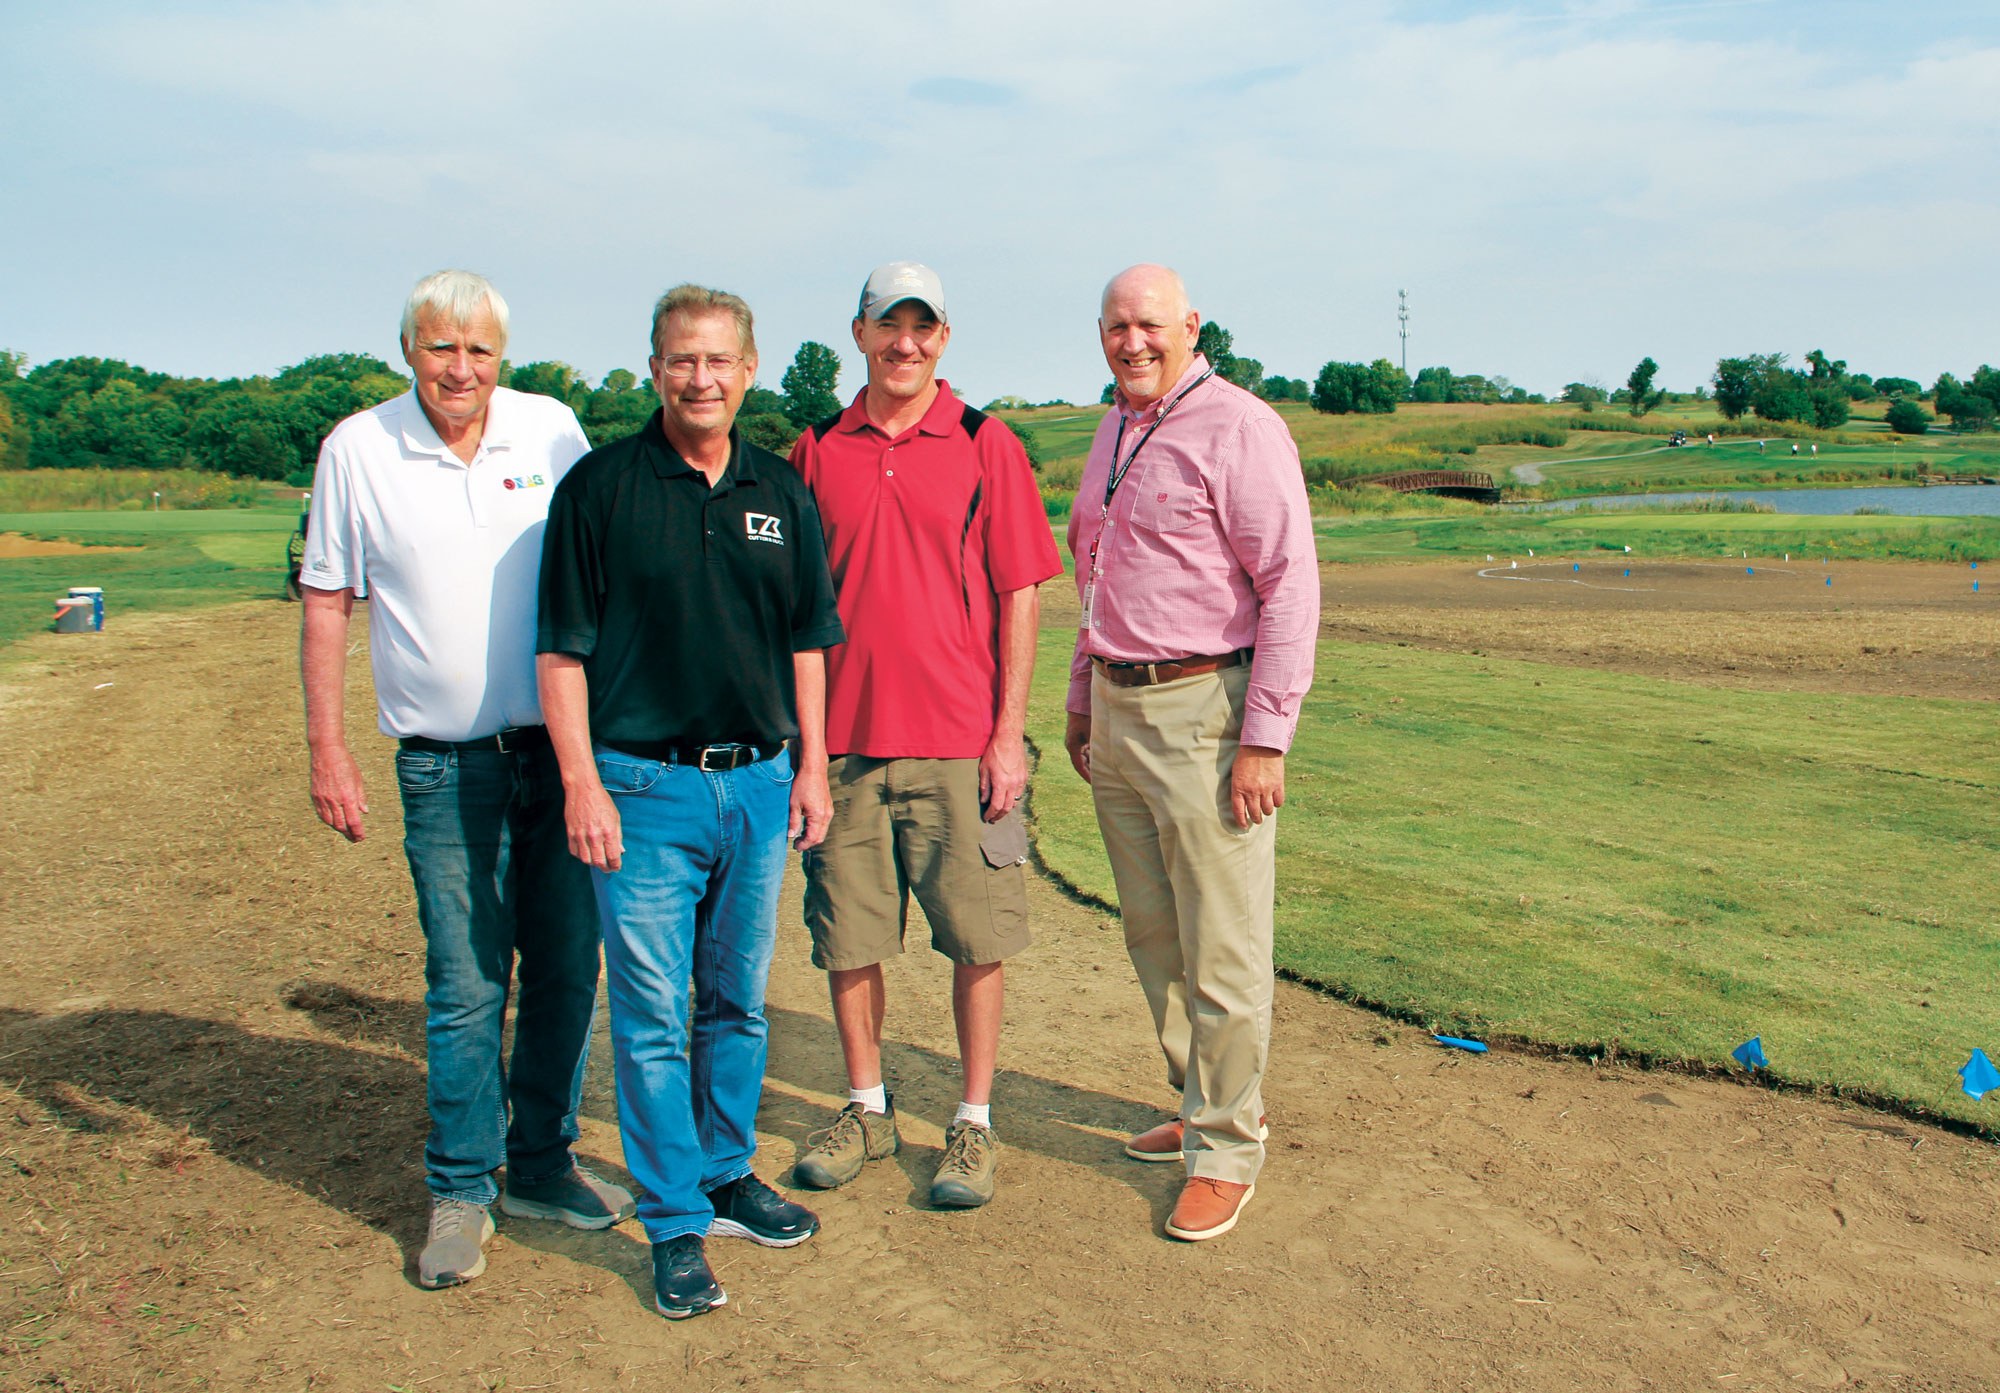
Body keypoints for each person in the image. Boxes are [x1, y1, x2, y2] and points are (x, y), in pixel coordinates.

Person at [300, 270, 633, 1291]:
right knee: (465, 981)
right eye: (441, 347)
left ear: (504, 356)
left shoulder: (548, 431)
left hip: (560, 754)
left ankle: (539, 1160)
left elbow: (604, 575)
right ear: (410, 350)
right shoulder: (358, 448)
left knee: (569, 968)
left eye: (479, 350)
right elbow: (325, 603)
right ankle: (459, 1187)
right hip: (445, 767)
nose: (460, 368)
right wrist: (329, 750)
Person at [536, 284, 845, 1321]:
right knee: (653, 1016)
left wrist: (809, 764)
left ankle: (723, 1173)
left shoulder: (779, 489)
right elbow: (560, 652)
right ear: (655, 367)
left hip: (757, 784)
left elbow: (808, 637)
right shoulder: (600, 488)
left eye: (718, 361)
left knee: (737, 1002)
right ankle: (671, 1219)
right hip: (642, 789)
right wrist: (581, 779)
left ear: (747, 369)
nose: (699, 378)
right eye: (681, 360)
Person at [786, 262, 1062, 1209]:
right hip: (846, 743)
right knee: (848, 937)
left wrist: (1007, 734)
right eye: (886, 324)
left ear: (945, 338)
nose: (905, 342)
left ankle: (973, 1121)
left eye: (923, 326)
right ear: (857, 333)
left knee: (975, 938)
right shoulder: (816, 448)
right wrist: (806, 750)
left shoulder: (987, 443)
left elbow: (1020, 591)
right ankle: (866, 1106)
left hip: (959, 741)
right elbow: (792, 608)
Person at [1062, 264, 1319, 1242]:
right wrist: (1084, 699)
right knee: (1153, 933)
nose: (1132, 341)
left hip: (1204, 710)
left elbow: (1288, 585)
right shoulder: (1114, 428)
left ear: (1190, 326)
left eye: (1149, 325)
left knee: (1222, 944)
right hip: (1121, 710)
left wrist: (1263, 736)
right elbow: (1097, 576)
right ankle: (1201, 1096)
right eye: (1115, 327)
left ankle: (1226, 1145)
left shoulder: (1240, 425)